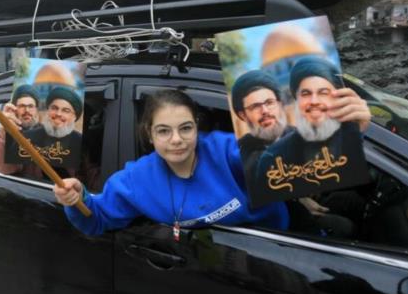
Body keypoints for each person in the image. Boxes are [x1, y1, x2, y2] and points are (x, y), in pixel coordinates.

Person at [53, 89, 289, 238]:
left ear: (197, 125)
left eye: (185, 128)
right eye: (164, 131)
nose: (177, 140)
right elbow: (97, 218)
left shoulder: (228, 151)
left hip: (278, 253)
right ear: (149, 133)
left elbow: (287, 161)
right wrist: (75, 199)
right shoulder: (137, 179)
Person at [233, 65, 371, 236]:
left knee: (352, 201)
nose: (265, 111)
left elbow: (336, 157)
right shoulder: (243, 155)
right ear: (242, 115)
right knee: (343, 227)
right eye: (255, 107)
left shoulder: (296, 133)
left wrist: (357, 129)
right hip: (285, 220)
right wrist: (298, 202)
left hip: (311, 196)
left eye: (269, 103)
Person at [21, 86, 83, 169]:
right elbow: (9, 169)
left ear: (74, 117)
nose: (58, 114)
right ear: (48, 110)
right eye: (54, 108)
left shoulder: (81, 143)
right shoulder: (27, 138)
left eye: (66, 111)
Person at [0, 84, 41, 175]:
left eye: (31, 106)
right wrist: (4, 134)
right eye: (22, 106)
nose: (27, 110)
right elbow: (6, 168)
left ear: (36, 110)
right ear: (14, 110)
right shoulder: (7, 135)